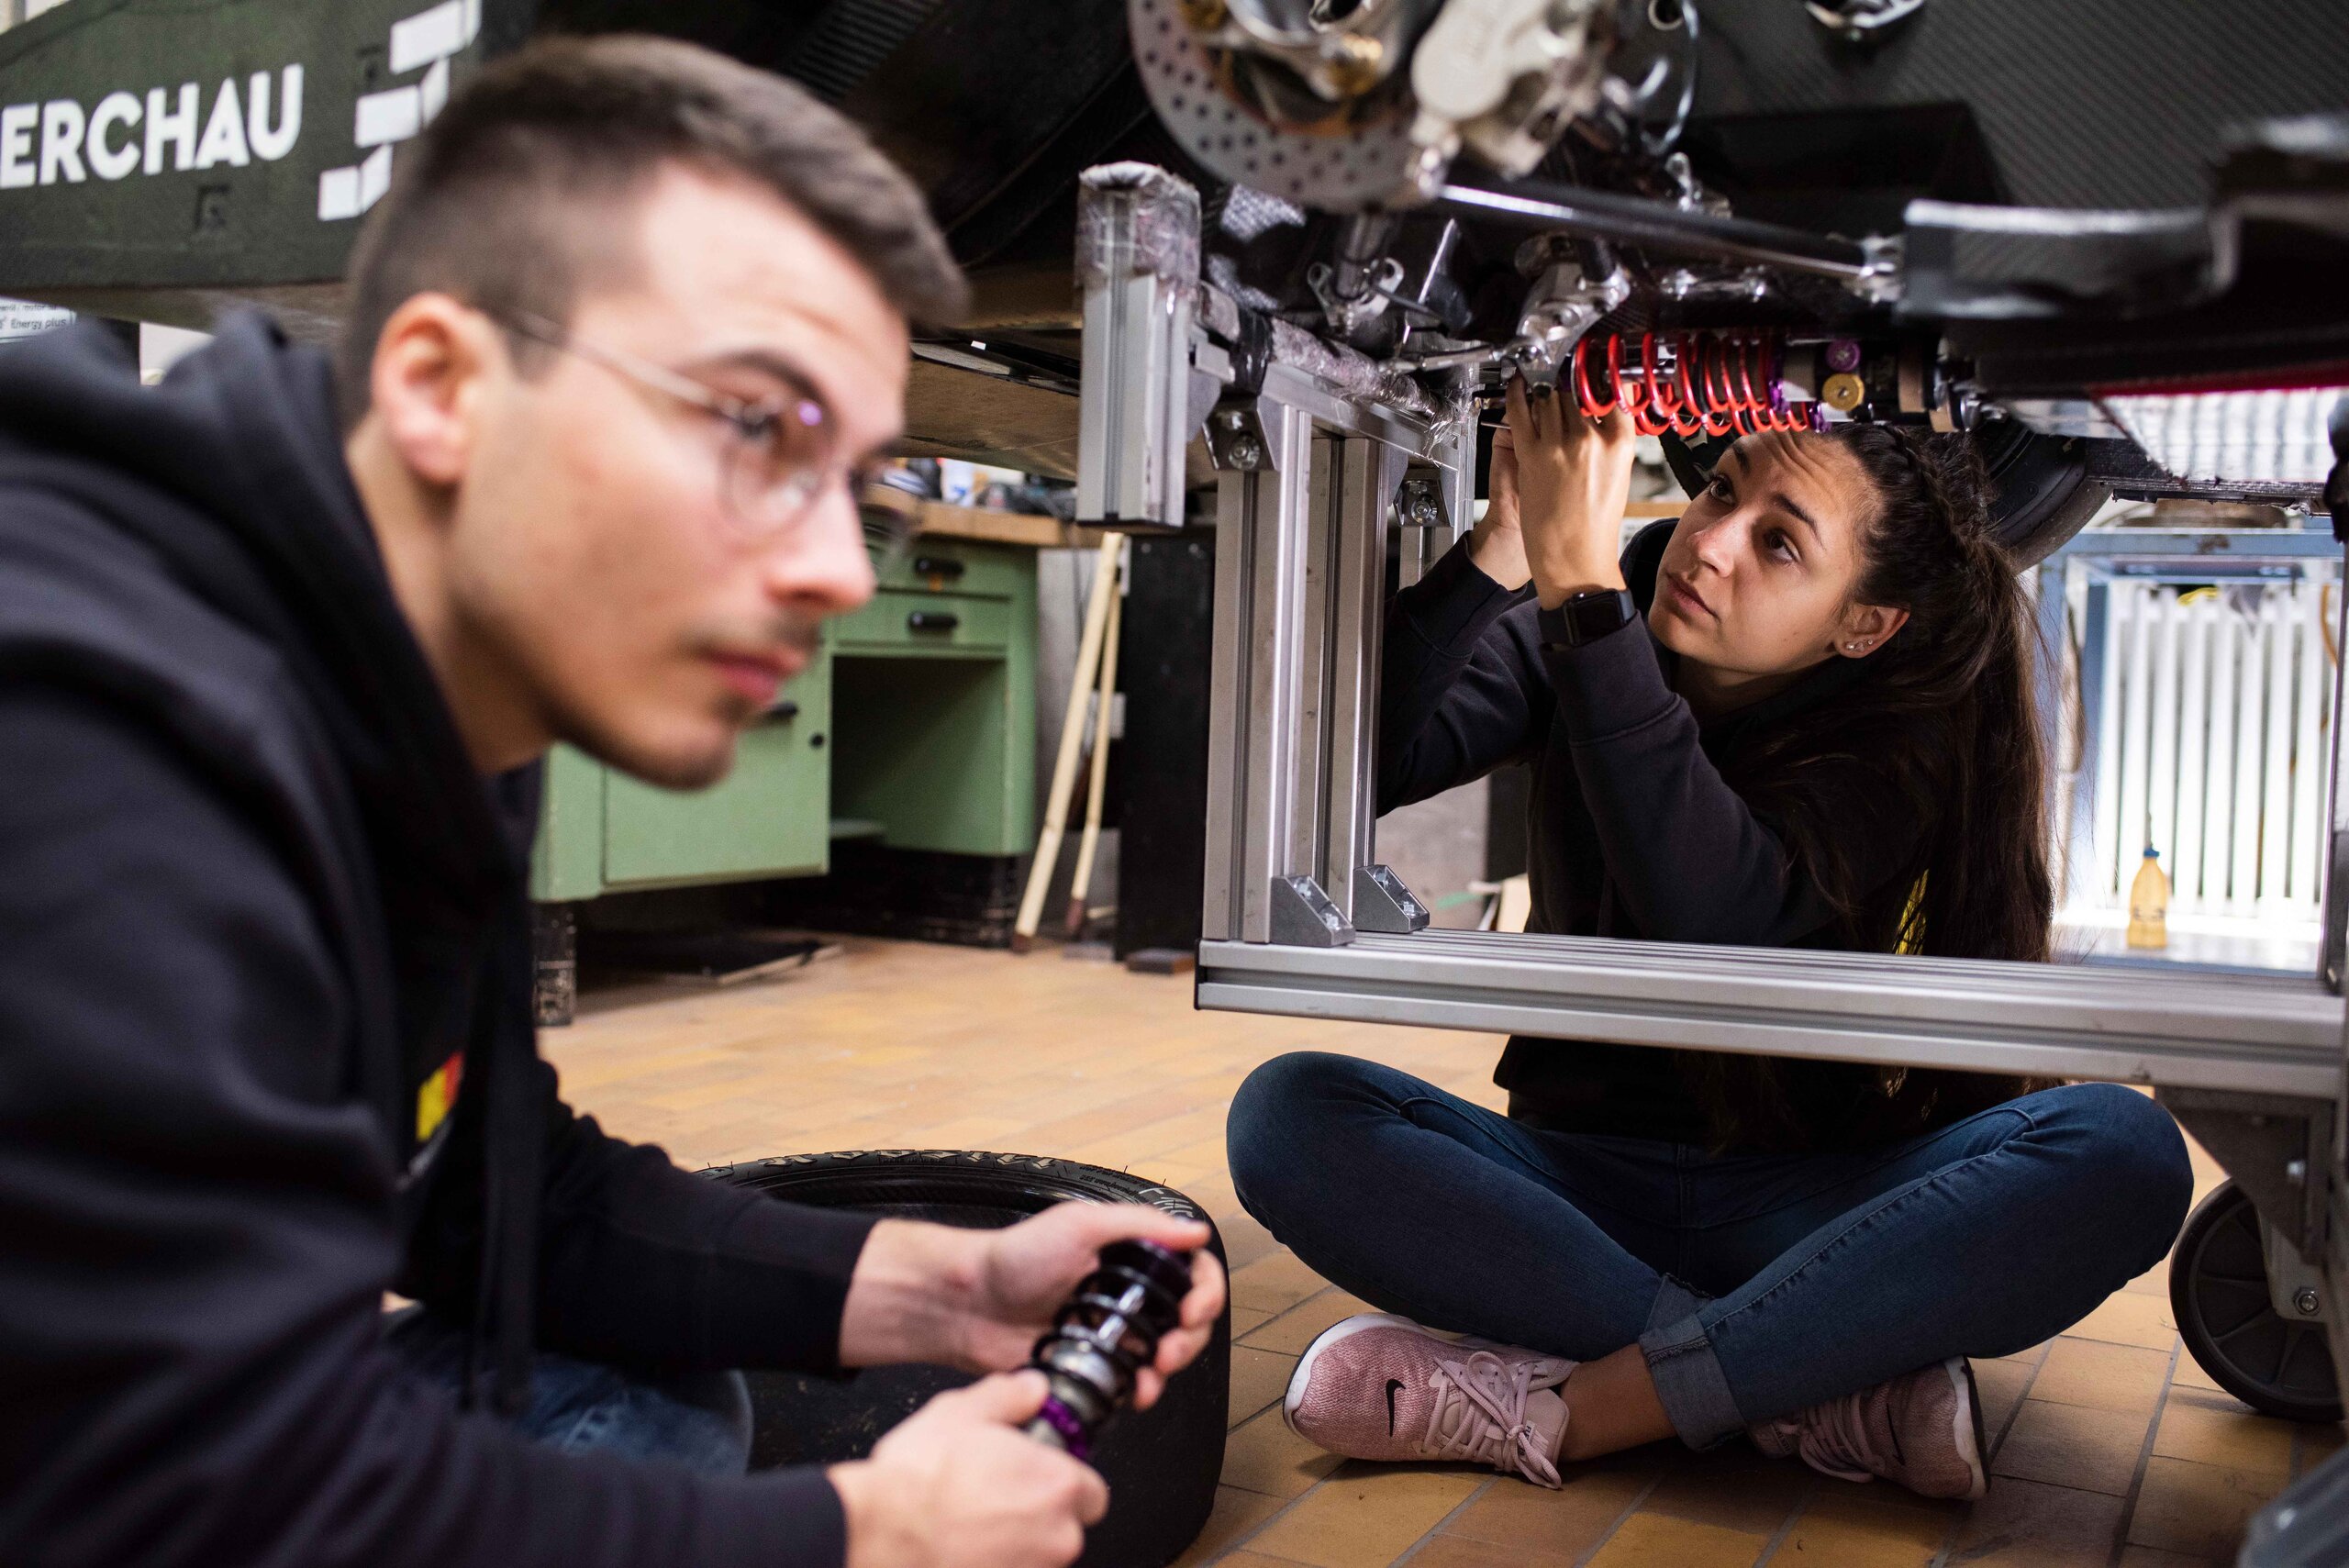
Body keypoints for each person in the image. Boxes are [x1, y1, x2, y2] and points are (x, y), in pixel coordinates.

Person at [0, 36, 1221, 1568]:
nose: (844, 568)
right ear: (444, 386)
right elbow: (175, 1487)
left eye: (860, 477)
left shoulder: (432, 694)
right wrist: (863, 1537)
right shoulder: (92, 732)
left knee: (643, 1404)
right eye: (758, 426)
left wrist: (949, 1287)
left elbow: (490, 1185)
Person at [1225, 380, 2191, 1501]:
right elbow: (1357, 760)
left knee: (2119, 1148)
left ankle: (1594, 1405)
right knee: (1288, 1110)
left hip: (1812, 1204)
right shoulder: (1607, 602)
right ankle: (1806, 1373)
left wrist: (1583, 599)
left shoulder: (1900, 728)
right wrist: (1497, 551)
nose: (1710, 542)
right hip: (1574, 1184)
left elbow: (1716, 913)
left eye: (1779, 542)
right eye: (1721, 489)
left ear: (1860, 622)